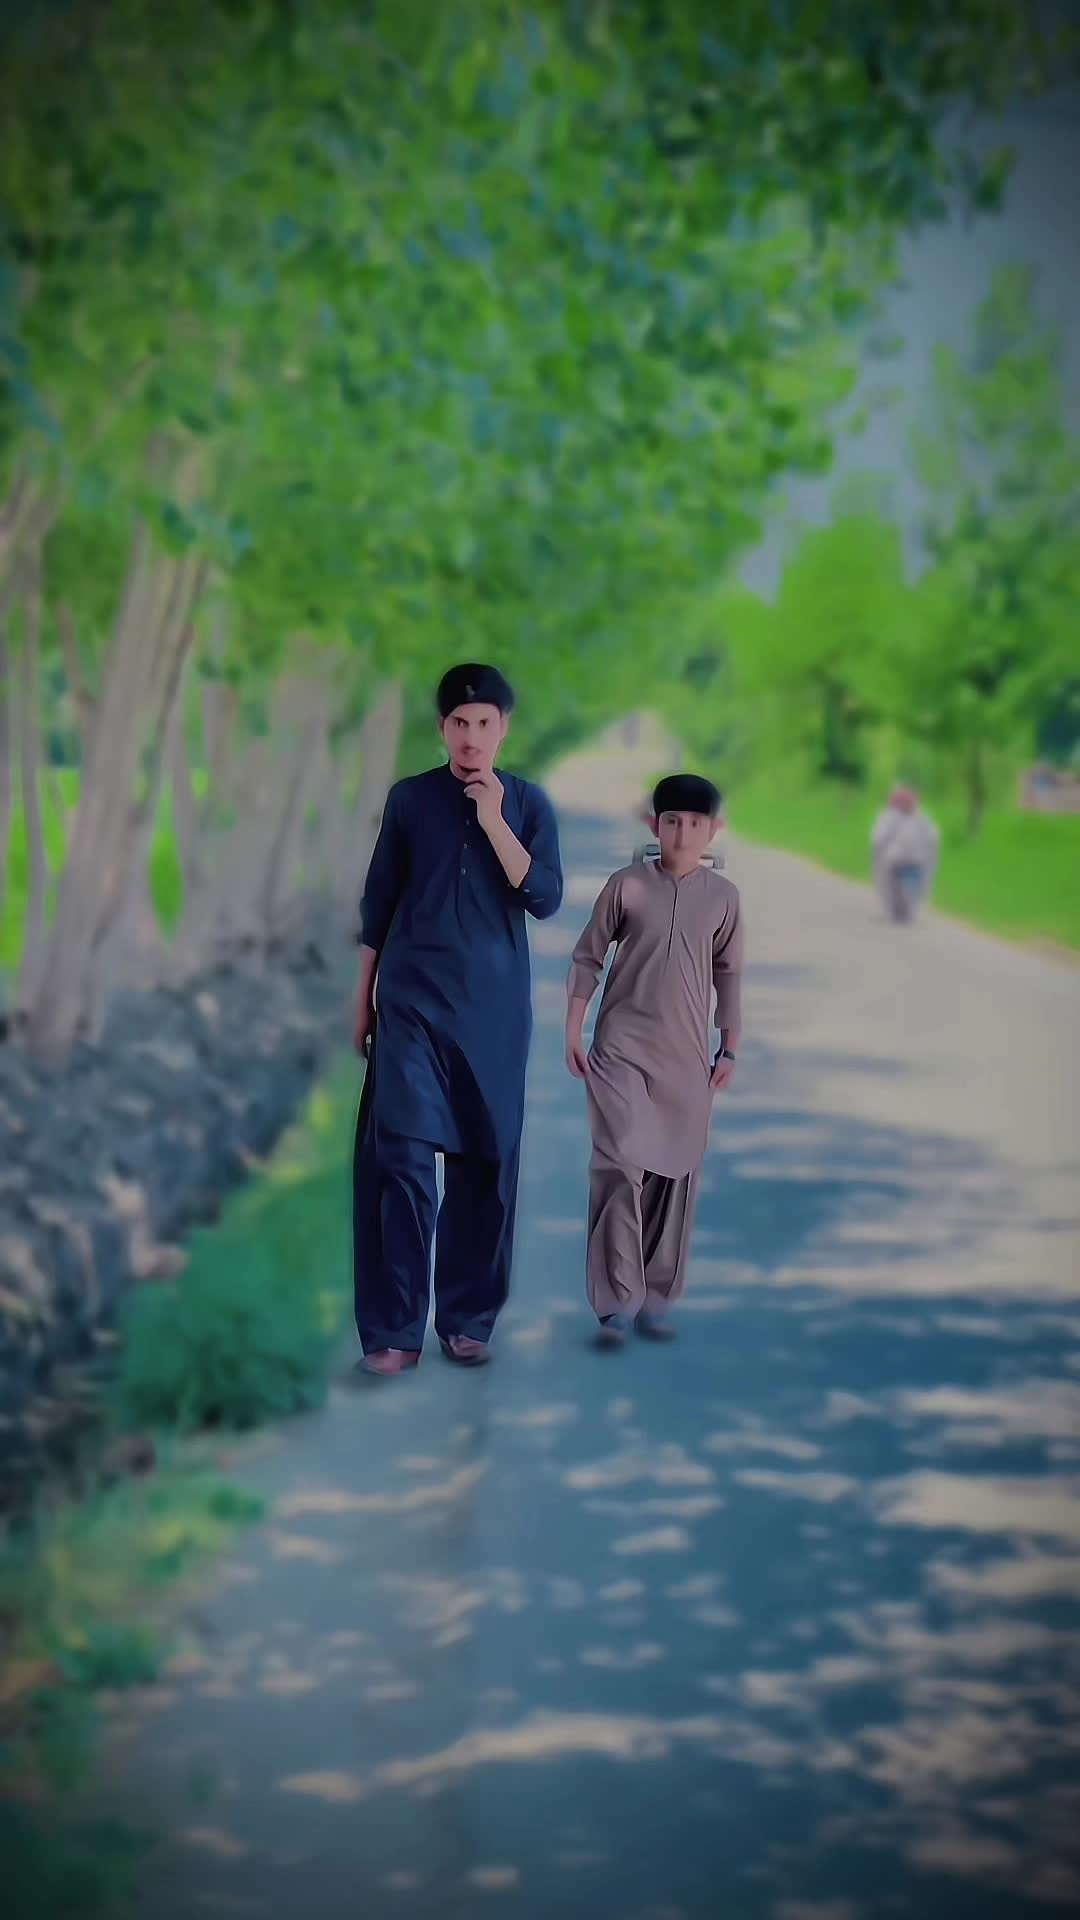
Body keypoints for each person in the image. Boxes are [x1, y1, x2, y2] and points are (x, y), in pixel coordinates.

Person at [352, 663, 564, 1377]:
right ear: (442, 729)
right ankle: (395, 1330)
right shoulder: (411, 800)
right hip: (411, 1005)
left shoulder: (528, 804)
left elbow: (544, 897)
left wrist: (494, 819)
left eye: (484, 723)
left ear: (503, 730)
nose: (471, 736)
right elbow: (378, 905)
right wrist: (362, 1000)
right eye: (459, 723)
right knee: (401, 1160)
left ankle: (468, 1321)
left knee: (486, 1165)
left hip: (492, 1015)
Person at [565, 773, 743, 1347]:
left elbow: (728, 973)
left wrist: (729, 1044)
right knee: (618, 1162)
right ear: (653, 825)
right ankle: (615, 1302)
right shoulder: (626, 886)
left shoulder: (723, 898)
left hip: (686, 1056)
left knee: (675, 1172)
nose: (682, 833)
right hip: (620, 1049)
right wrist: (573, 1027)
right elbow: (588, 956)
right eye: (672, 821)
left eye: (695, 823)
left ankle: (657, 1298)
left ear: (714, 829)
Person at [870, 785, 940, 923]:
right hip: (893, 859)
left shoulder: (921, 818)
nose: (906, 803)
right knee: (889, 886)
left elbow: (932, 836)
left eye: (909, 800)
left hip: (915, 860)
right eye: (902, 800)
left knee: (914, 886)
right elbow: (879, 836)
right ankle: (892, 909)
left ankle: (910, 908)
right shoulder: (888, 816)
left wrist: (929, 847)